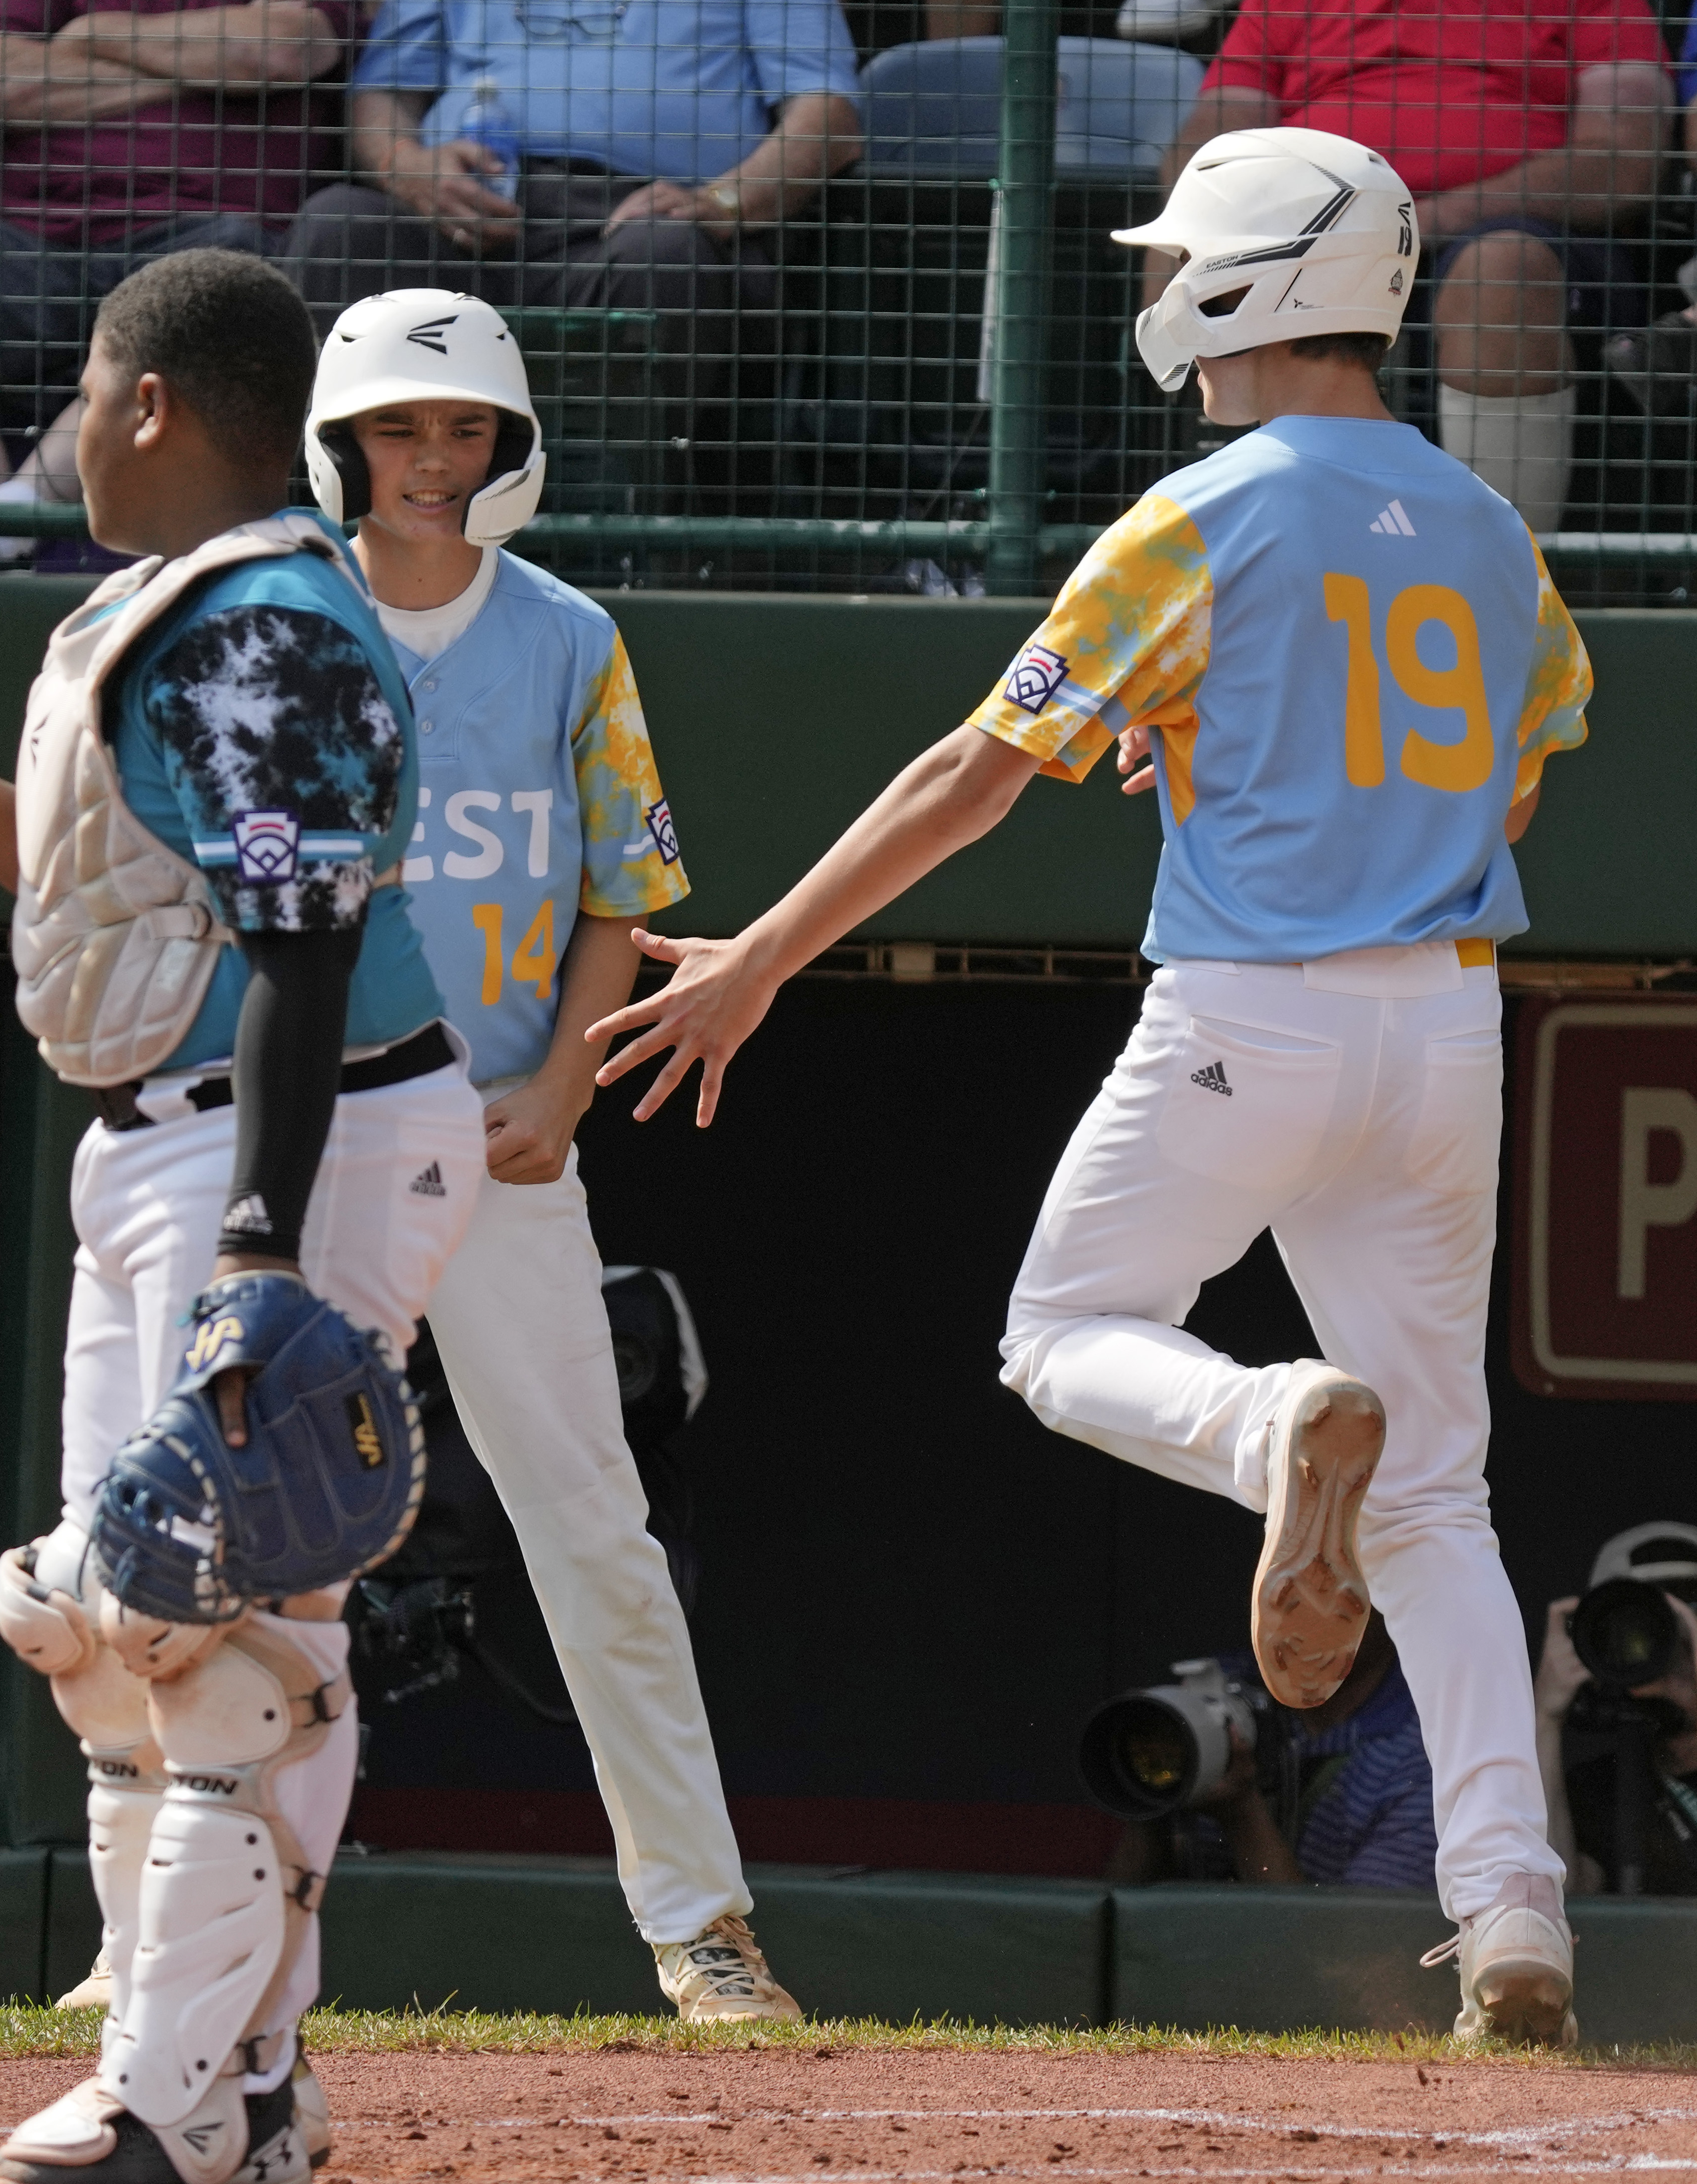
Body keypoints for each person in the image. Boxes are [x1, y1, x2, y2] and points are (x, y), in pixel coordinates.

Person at [588, 127, 1594, 2044]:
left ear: (1250, 283)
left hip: (1249, 1010)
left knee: (1063, 1334)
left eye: (1177, 263)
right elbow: (1517, 771)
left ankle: (1263, 1424)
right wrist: (1241, 749)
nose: (1158, 294)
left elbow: (966, 776)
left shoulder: (1199, 511)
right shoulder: (1487, 524)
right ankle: (1511, 1907)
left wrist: (757, 958)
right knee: (1443, 1495)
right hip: (1443, 1025)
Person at [0, 247, 484, 2184]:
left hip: (304, 1136)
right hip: (161, 1138)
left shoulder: (266, 614)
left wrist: (262, 1251)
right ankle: (232, 2078)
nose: (68, 442)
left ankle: (176, 2100)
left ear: (148, 405)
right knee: (116, 1622)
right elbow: (125, 902)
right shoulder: (160, 612)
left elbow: (304, 936)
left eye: (85, 398)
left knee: (233, 1620)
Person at [292, 285, 791, 2020]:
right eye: (399, 428)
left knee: (591, 1527)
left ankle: (699, 1926)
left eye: (463, 429)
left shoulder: (569, 635)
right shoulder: (277, 617)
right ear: (340, 441)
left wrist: (565, 1094)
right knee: (237, 1527)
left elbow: (621, 893)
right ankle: (169, 1934)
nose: (432, 460)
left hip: (503, 1143)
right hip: (304, 1136)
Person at [1151, 0, 1673, 535]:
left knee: (1498, 272)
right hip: (1317, 231)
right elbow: (1214, 134)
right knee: (1191, 238)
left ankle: (1501, 570)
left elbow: (1621, 155)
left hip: (1527, 233)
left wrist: (1413, 221)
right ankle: (1215, 536)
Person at [0, 0, 363, 548]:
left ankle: (14, 521)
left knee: (174, 320)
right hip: (35, 228)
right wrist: (209, 76)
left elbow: (277, 51)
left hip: (208, 225)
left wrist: (92, 34)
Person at [272, 0, 857, 349]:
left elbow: (829, 113)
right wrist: (410, 171)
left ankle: (649, 535)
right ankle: (317, 526)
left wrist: (725, 202)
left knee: (667, 255)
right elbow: (384, 94)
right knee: (337, 227)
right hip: (462, 215)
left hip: (639, 222)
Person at [1106, 1614, 1437, 1891]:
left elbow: (1352, 1954)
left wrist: (1243, 1815)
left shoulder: (1429, 1752)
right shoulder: (1230, 1678)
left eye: (1338, 1588)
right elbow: (1118, 1909)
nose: (1305, 1606)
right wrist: (1151, 1789)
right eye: (1286, 1579)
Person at [1537, 1520, 1697, 1897]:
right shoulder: (1603, 1788)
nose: (1661, 1646)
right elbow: (1557, 1904)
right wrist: (1544, 1717)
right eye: (1635, 1630)